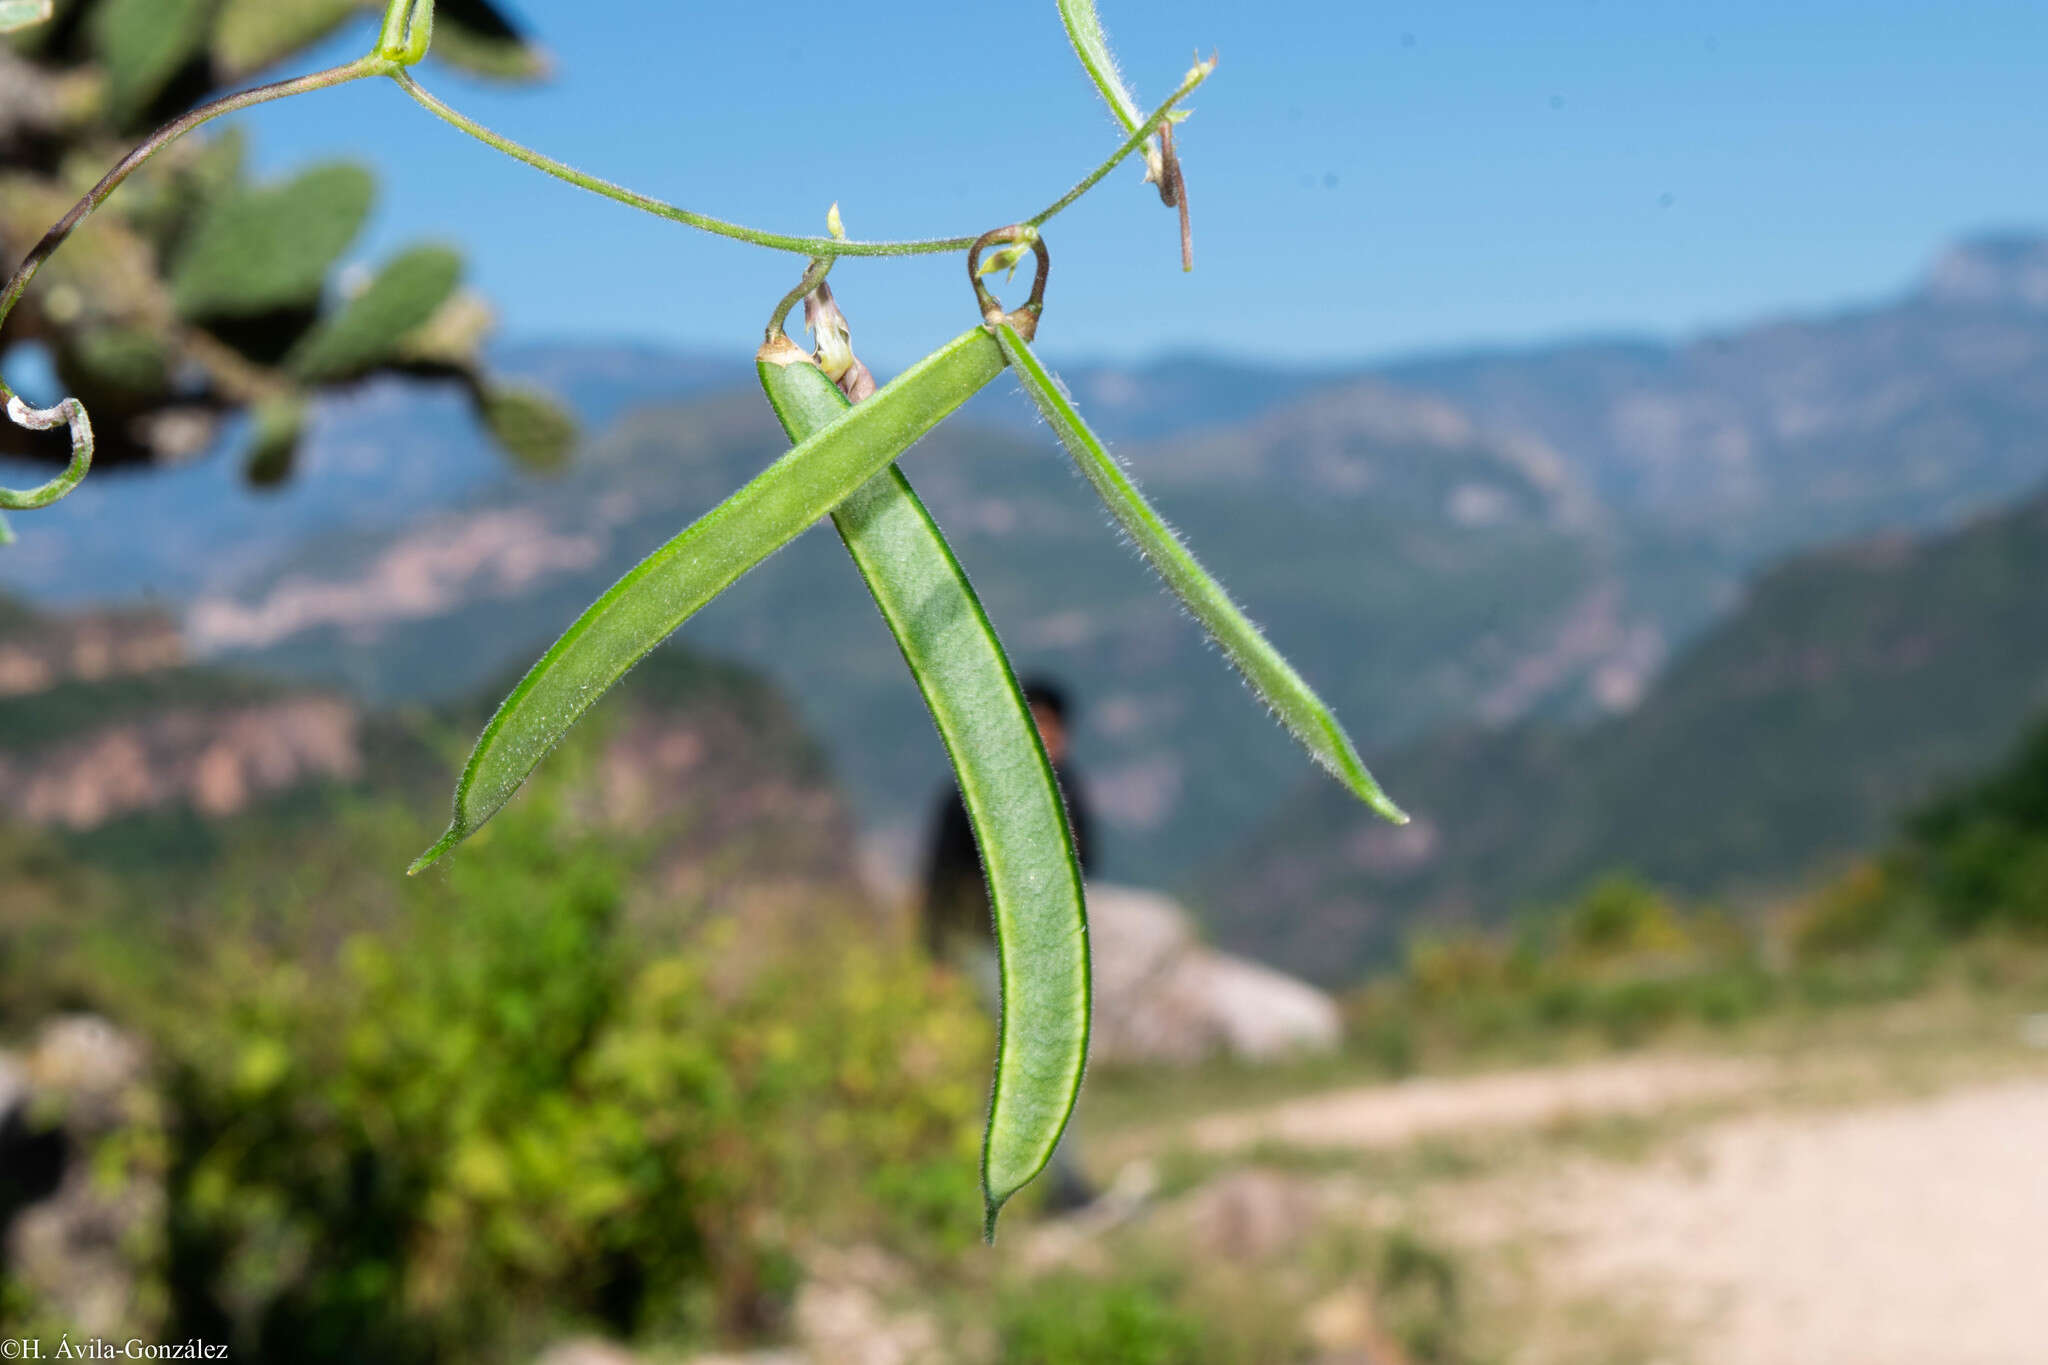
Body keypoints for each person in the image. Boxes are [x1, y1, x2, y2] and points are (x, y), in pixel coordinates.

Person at [920, 676, 1097, 1212]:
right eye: (1033, 722)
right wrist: (934, 957)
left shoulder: (1067, 788)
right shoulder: (968, 791)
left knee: (1039, 1063)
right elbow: (939, 877)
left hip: (1040, 954)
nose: (1043, 736)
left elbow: (1087, 864)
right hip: (979, 948)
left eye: (1051, 726)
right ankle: (1038, 1188)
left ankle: (1045, 1187)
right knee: (1023, 1064)